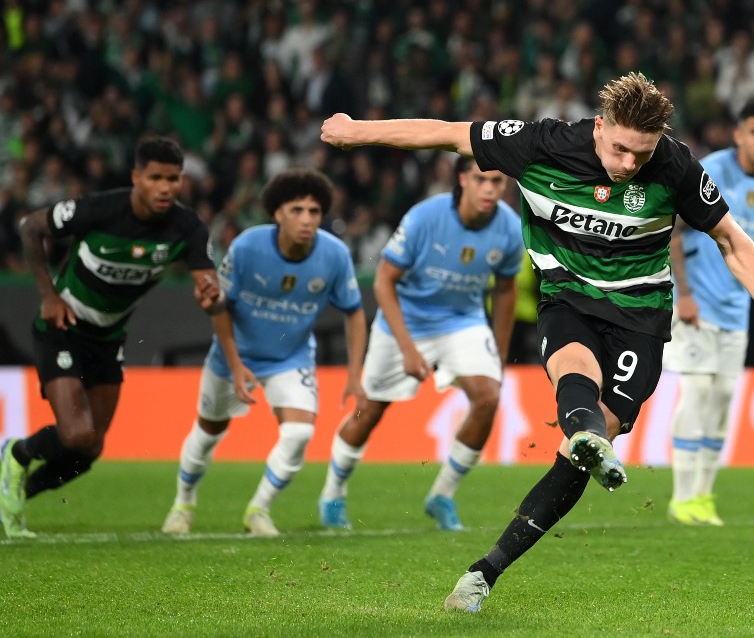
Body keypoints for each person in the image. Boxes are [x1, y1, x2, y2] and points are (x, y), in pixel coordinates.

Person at [320, 71, 754, 613]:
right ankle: (486, 573)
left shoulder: (675, 164)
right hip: (568, 297)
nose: (630, 164)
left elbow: (730, 235)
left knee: (586, 444)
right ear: (600, 127)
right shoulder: (543, 144)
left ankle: (498, 552)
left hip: (641, 316)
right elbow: (446, 132)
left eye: (642, 154)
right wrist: (356, 131)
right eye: (621, 149)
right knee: (574, 372)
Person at [0, 138, 222, 539]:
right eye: (155, 178)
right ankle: (15, 453)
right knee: (77, 434)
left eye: (173, 179)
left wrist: (208, 294)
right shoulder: (99, 210)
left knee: (91, 449)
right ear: (137, 177)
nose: (165, 187)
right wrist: (48, 295)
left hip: (109, 339)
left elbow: (206, 282)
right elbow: (30, 227)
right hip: (62, 328)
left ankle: (17, 491)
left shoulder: (187, 227)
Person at [316, 157, 523, 532]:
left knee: (488, 396)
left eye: (497, 181)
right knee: (369, 412)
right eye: (481, 180)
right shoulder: (424, 218)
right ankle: (332, 493)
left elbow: (506, 289)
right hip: (406, 319)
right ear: (463, 180)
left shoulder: (509, 227)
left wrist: (500, 354)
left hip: (463, 321)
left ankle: (442, 495)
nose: (490, 189)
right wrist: (408, 349)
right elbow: (383, 282)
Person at [161, 168, 367, 537]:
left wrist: (355, 373)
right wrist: (236, 365)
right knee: (209, 432)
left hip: (291, 357)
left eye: (314, 211)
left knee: (300, 433)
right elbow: (219, 306)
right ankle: (183, 503)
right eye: (297, 210)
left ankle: (259, 509)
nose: (306, 220)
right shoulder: (247, 247)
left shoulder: (334, 255)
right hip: (233, 355)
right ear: (277, 213)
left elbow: (354, 311)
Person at [662, 98, 754, 526]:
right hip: (696, 304)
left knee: (723, 399)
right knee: (696, 393)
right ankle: (681, 497)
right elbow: (675, 234)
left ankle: (704, 496)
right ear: (739, 135)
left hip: (736, 309)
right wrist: (684, 294)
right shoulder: (709, 168)